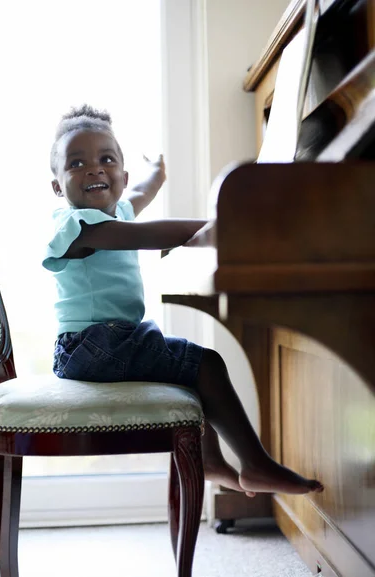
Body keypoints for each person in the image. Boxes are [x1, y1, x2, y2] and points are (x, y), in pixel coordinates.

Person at [43, 104, 324, 497]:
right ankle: (256, 464)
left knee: (186, 366)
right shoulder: (76, 227)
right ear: (57, 186)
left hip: (103, 342)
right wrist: (226, 222)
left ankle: (210, 461)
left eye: (106, 159)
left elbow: (142, 192)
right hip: (91, 346)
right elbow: (147, 235)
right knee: (204, 363)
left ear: (122, 176)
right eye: (77, 163)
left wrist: (156, 171)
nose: (94, 168)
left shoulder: (117, 210)